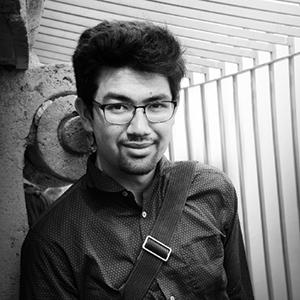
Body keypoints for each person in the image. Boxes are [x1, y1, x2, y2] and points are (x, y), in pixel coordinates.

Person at [19, 20, 254, 299]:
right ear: (85, 114)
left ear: (174, 108)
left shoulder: (212, 190)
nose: (140, 129)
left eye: (156, 105)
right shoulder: (53, 241)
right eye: (118, 107)